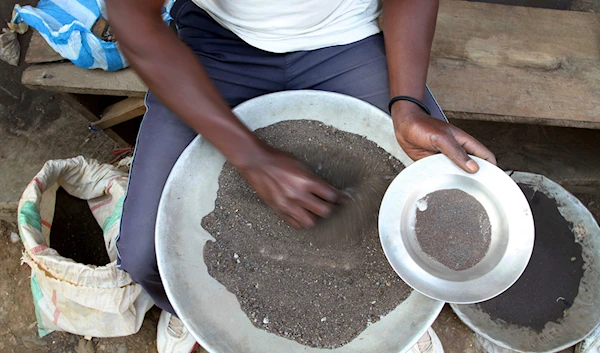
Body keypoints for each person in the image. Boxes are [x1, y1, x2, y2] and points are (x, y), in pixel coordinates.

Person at [107, 0, 496, 352]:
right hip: (217, 42)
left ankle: (402, 327)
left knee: (434, 214)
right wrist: (250, 157)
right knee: (144, 256)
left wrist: (408, 105)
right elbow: (130, 15)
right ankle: (190, 310)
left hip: (347, 37)